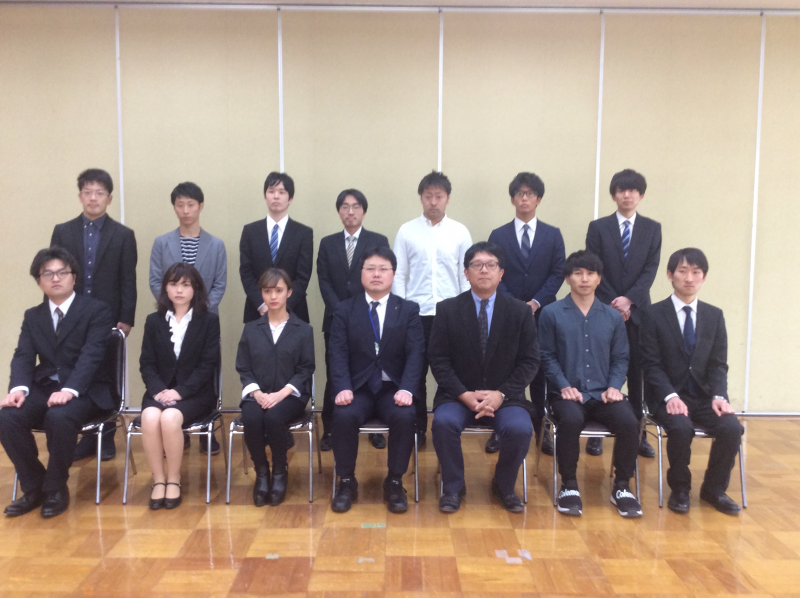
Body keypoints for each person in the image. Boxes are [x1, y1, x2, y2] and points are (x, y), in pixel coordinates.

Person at [0, 247, 113, 518]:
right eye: (47, 274)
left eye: (62, 272)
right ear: (38, 280)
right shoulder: (33, 316)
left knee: (59, 416)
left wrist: (70, 389)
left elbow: (91, 356)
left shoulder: (96, 311)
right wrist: (18, 388)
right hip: (46, 386)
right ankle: (34, 486)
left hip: (87, 389)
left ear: (74, 277)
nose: (55, 278)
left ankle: (55, 489)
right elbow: (23, 355)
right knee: (7, 416)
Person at [430, 241, 539, 514]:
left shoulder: (520, 312)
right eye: (476, 265)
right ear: (466, 273)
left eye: (491, 265)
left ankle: (503, 485)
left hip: (505, 397)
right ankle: (453, 487)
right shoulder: (447, 310)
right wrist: (464, 394)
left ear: (501, 273)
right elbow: (439, 360)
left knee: (520, 429)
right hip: (458, 395)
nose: (483, 270)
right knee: (443, 423)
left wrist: (500, 394)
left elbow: (530, 362)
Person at [538, 250, 642, 518]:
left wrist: (615, 386)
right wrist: (563, 385)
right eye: (578, 273)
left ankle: (622, 487)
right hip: (566, 394)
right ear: (567, 278)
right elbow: (546, 355)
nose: (584, 279)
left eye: (590, 273)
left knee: (629, 421)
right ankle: (569, 485)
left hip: (604, 393)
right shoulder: (551, 313)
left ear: (599, 278)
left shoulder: (612, 317)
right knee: (571, 420)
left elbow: (621, 357)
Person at [641, 248, 744, 515]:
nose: (689, 278)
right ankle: (680, 488)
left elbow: (718, 364)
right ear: (670, 275)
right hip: (667, 396)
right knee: (680, 427)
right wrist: (670, 396)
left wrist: (719, 396)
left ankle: (714, 489)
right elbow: (650, 364)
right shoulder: (653, 314)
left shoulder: (714, 315)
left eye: (696, 272)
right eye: (683, 271)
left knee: (732, 428)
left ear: (704, 277)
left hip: (704, 396)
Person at [328, 247, 425, 514]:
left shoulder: (408, 310)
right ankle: (346, 481)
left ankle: (394, 482)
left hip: (393, 388)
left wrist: (407, 389)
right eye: (370, 268)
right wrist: (342, 387)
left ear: (393, 274)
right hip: (357, 388)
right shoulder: (345, 309)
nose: (376, 274)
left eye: (383, 269)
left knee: (405, 416)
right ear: (361, 274)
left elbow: (416, 353)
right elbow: (337, 352)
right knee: (343, 415)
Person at [52, 168, 137, 462]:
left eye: (99, 193)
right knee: (73, 372)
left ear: (109, 198)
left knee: (106, 375)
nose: (93, 198)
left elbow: (128, 280)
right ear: (80, 196)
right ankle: (83, 435)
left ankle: (106, 436)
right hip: (70, 316)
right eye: (87, 192)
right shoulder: (63, 231)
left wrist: (126, 317)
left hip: (108, 317)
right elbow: (53, 274)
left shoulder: (123, 235)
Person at [485, 172, 565, 456]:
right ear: (512, 199)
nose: (525, 198)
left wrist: (535, 302)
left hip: (543, 313)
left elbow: (558, 273)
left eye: (530, 194)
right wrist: (516, 304)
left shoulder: (553, 235)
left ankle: (543, 430)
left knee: (541, 371)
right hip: (506, 313)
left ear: (538, 199)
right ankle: (500, 429)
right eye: (519, 193)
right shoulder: (498, 235)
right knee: (504, 369)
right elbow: (494, 271)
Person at [393, 171, 472, 448]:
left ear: (448, 198)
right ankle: (417, 429)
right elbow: (398, 274)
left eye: (439, 196)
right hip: (416, 315)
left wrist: (466, 312)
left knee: (449, 373)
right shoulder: (407, 231)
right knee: (415, 373)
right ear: (421, 198)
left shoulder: (460, 232)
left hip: (452, 316)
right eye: (428, 196)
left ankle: (446, 427)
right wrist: (401, 311)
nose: (434, 202)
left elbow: (466, 276)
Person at [585, 168, 660, 459]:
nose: (627, 195)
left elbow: (650, 270)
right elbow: (594, 267)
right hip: (604, 309)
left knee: (637, 373)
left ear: (641, 195)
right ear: (614, 194)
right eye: (621, 190)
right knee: (602, 369)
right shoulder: (598, 227)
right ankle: (596, 434)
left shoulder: (652, 228)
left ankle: (639, 434)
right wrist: (614, 303)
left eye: (633, 190)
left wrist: (629, 300)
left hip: (639, 311)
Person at [149, 181, 226, 455]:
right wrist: (174, 306)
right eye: (180, 205)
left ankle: (207, 429)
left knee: (206, 371)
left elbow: (219, 284)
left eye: (190, 204)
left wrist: (198, 310)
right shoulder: (162, 243)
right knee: (173, 368)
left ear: (200, 206)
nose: (185, 210)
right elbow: (156, 280)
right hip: (171, 317)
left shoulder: (215, 245)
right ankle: (178, 430)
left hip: (205, 320)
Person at [139, 263, 220, 510]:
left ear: (195, 289)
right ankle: (158, 479)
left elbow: (207, 365)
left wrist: (180, 391)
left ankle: (174, 478)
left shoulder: (209, 321)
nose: (179, 290)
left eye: (185, 285)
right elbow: (147, 363)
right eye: (173, 284)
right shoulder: (153, 321)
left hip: (196, 393)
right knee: (149, 416)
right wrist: (158, 391)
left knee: (170, 418)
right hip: (159, 391)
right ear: (165, 288)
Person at [317, 189, 390, 452]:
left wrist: (359, 312)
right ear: (339, 211)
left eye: (356, 206)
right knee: (335, 374)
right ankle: (330, 429)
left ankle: (375, 429)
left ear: (364, 211)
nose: (351, 211)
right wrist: (341, 312)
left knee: (372, 372)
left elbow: (380, 278)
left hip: (370, 319)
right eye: (345, 207)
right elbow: (323, 280)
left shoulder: (377, 240)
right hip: (335, 319)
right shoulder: (327, 243)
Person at [236, 269, 315, 507]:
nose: (273, 296)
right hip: (257, 394)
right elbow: (243, 367)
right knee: (252, 418)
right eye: (267, 291)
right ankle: (262, 471)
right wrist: (257, 393)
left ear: (289, 293)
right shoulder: (251, 328)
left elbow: (305, 368)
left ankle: (280, 471)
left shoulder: (303, 329)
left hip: (290, 396)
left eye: (278, 290)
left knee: (273, 417)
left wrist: (281, 394)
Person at [239, 172, 313, 324]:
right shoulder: (250, 231)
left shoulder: (303, 233)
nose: (276, 196)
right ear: (265, 196)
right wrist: (262, 304)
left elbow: (303, 276)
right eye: (271, 191)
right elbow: (246, 272)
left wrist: (283, 307)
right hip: (257, 311)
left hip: (293, 311)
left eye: (282, 192)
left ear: (290, 199)